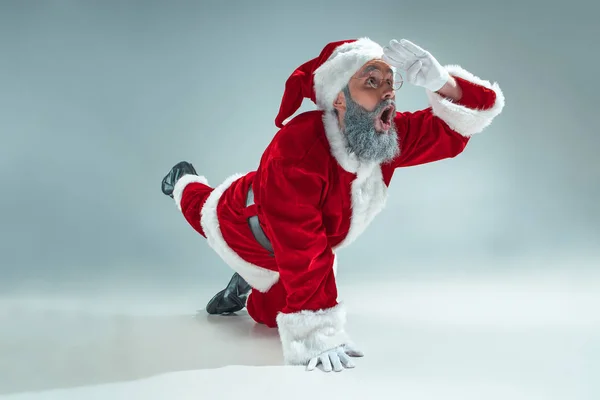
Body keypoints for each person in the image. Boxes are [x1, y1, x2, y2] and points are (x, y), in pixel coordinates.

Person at [161, 37, 505, 372]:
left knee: (269, 315)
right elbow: (303, 245)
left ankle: (246, 286)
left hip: (302, 244)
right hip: (245, 225)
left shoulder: (380, 135)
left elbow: (452, 132)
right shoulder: (296, 149)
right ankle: (181, 180)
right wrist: (318, 335)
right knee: (200, 208)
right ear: (339, 98)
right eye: (371, 81)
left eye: (390, 81)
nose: (387, 91)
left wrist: (445, 84)